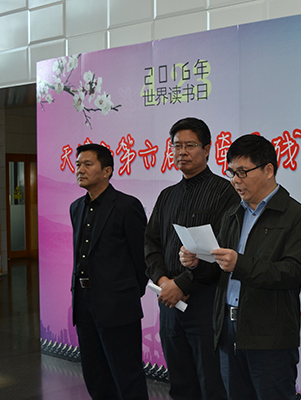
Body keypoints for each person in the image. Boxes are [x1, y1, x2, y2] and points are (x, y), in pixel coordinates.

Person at [181, 134, 301, 400]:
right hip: (228, 330)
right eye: (231, 172)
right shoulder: (233, 213)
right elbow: (219, 270)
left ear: (268, 170)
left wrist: (239, 264)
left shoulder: (295, 215)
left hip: (269, 336)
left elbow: (292, 273)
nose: (235, 180)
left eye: (242, 172)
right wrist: (196, 263)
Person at [145, 117, 238, 400]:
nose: (182, 152)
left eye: (190, 145)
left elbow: (224, 249)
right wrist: (164, 282)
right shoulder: (167, 195)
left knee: (211, 382)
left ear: (207, 149)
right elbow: (151, 243)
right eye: (176, 146)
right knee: (180, 382)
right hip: (170, 302)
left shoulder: (225, 192)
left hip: (206, 302)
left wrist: (182, 284)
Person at [70, 143, 149, 400]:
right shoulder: (76, 207)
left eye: (87, 164)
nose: (80, 170)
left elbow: (142, 258)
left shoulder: (127, 206)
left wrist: (126, 293)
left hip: (118, 304)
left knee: (126, 374)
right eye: (78, 164)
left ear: (107, 171)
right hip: (83, 302)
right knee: (94, 373)